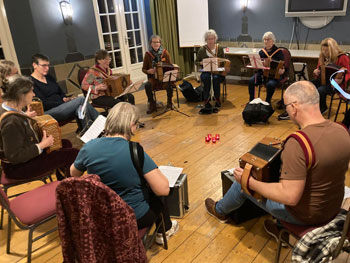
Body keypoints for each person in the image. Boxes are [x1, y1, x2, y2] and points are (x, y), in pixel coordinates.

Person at [205, 81, 350, 242]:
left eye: (286, 105)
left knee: (241, 183)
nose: (286, 109)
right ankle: (279, 227)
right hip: (333, 207)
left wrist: (249, 182)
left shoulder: (299, 143)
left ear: (294, 107)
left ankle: (219, 210)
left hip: (307, 216)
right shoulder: (342, 130)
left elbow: (290, 197)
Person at [70, 102, 179, 245]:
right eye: (136, 124)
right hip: (133, 216)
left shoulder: (89, 147)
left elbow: (73, 173)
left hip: (101, 215)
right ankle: (164, 231)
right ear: (131, 125)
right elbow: (163, 189)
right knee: (159, 193)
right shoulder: (134, 150)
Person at [0, 74, 79, 180]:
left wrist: (25, 116)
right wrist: (42, 145)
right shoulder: (11, 122)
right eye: (31, 91)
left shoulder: (8, 108)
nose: (33, 94)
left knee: (65, 144)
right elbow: (15, 156)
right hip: (17, 168)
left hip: (25, 158)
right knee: (72, 154)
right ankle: (71, 187)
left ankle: (63, 181)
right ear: (20, 95)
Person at [30, 53, 99, 132]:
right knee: (81, 99)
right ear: (35, 65)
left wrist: (65, 98)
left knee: (80, 108)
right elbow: (43, 103)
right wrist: (62, 102)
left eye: (48, 65)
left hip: (62, 106)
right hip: (48, 113)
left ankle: (89, 135)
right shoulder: (31, 82)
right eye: (44, 65)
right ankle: (104, 124)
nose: (47, 68)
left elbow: (60, 92)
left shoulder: (49, 77)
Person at [311, 37, 350, 114]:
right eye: (323, 50)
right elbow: (318, 68)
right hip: (323, 80)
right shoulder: (322, 57)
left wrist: (341, 79)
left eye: (327, 50)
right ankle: (312, 107)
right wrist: (315, 72)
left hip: (336, 84)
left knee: (321, 90)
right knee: (309, 85)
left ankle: (323, 107)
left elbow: (348, 73)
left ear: (332, 50)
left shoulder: (342, 57)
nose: (324, 52)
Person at [248, 32, 285, 104]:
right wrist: (258, 66)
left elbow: (283, 66)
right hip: (262, 74)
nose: (266, 41)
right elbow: (258, 68)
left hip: (274, 76)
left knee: (270, 84)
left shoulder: (278, 52)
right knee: (251, 81)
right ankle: (251, 101)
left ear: (273, 40)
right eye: (264, 39)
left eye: (268, 39)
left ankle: (268, 102)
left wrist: (282, 70)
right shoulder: (262, 52)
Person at [142, 35, 174, 114]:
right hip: (153, 79)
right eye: (154, 42)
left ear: (160, 43)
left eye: (157, 42)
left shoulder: (165, 53)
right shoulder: (147, 54)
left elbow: (171, 66)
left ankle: (169, 103)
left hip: (164, 78)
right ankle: (152, 104)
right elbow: (143, 69)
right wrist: (149, 71)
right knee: (147, 85)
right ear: (151, 43)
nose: (156, 44)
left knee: (170, 85)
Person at [195, 29, 226, 109]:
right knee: (206, 78)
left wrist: (219, 62)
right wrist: (201, 63)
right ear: (206, 40)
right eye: (209, 39)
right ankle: (206, 99)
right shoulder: (202, 49)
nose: (211, 41)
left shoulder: (219, 48)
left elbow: (224, 61)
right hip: (206, 71)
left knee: (216, 78)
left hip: (217, 71)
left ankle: (217, 99)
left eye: (212, 39)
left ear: (215, 39)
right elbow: (196, 62)